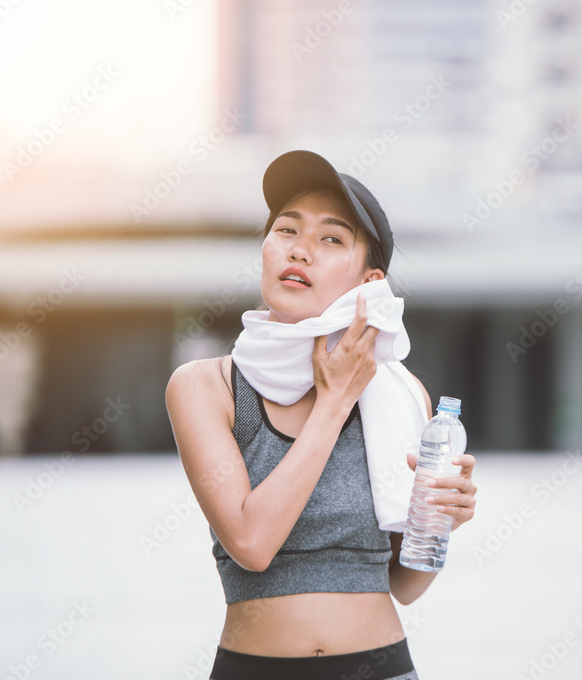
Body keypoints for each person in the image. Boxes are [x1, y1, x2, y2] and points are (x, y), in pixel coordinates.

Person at [165, 150, 478, 680]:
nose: (301, 249)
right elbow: (251, 544)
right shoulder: (206, 386)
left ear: (368, 282)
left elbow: (403, 586)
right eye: (287, 229)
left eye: (332, 238)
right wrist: (333, 402)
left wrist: (441, 521)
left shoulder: (401, 394)